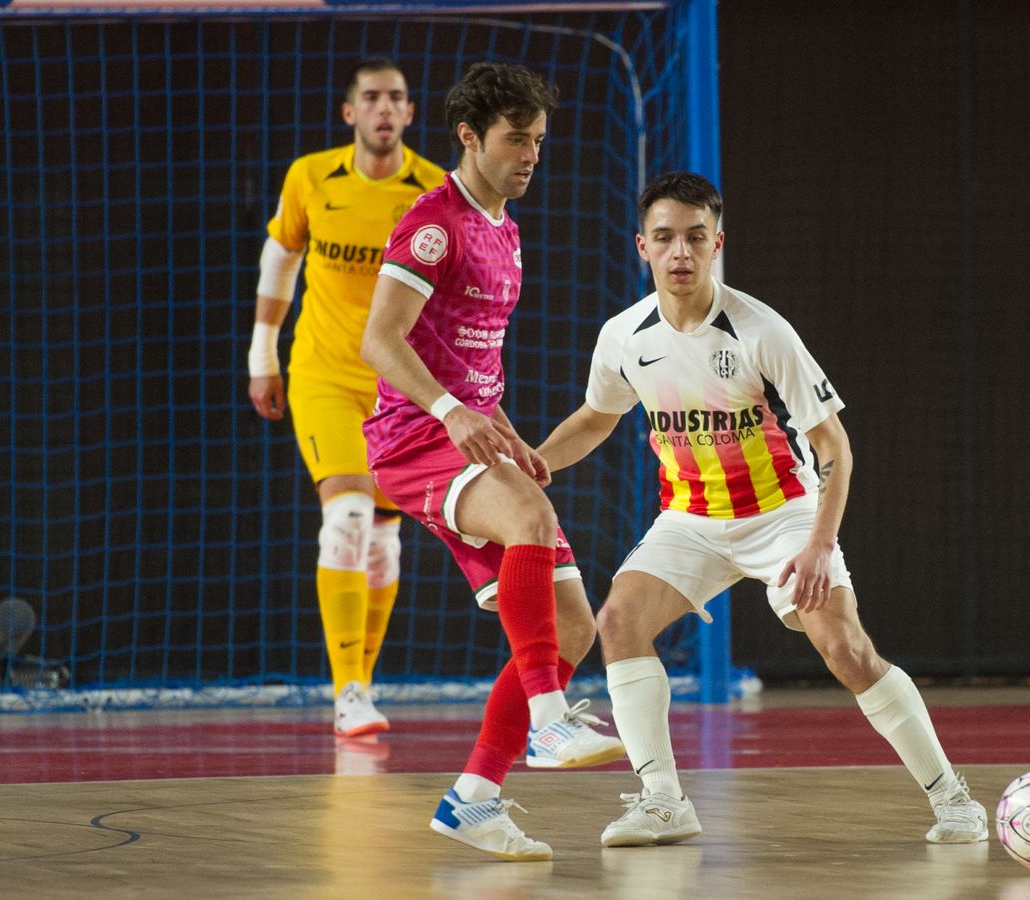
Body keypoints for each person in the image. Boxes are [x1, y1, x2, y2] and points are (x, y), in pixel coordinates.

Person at [535, 171, 989, 848]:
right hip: (690, 517)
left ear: (717, 243)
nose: (680, 252)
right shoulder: (623, 336)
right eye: (665, 238)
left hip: (784, 514)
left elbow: (833, 442)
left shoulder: (758, 329)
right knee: (619, 619)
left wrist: (817, 547)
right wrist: (534, 462)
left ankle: (954, 800)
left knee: (846, 649)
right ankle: (664, 802)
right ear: (642, 247)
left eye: (694, 237)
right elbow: (596, 419)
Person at [360, 61, 625, 862]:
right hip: (412, 439)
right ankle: (548, 720)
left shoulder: (505, 229)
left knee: (576, 621)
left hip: (464, 434)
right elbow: (380, 339)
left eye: (540, 141)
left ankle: (473, 799)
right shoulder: (434, 222)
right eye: (516, 139)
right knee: (531, 520)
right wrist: (450, 414)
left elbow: (473, 364)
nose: (531, 155)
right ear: (470, 137)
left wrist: (503, 430)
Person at [247, 58, 447, 737]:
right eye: (371, 97)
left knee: (385, 547)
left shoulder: (433, 192)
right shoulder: (311, 177)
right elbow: (281, 257)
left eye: (396, 97)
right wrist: (260, 353)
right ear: (350, 113)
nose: (384, 108)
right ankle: (349, 692)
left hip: (398, 386)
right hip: (325, 375)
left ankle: (362, 682)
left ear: (411, 113)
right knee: (349, 519)